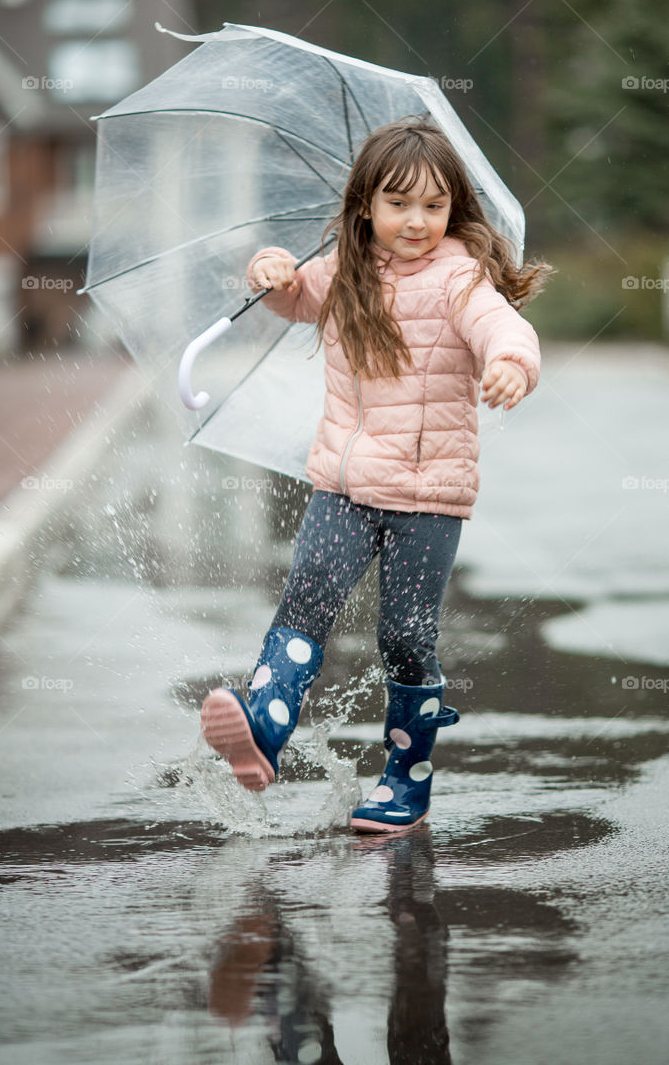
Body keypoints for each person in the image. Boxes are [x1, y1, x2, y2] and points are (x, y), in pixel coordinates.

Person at [201, 116, 551, 833]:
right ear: (365, 205)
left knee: (405, 639)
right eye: (397, 204)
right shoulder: (343, 269)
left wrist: (513, 363)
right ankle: (264, 728)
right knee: (305, 602)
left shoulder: (459, 279)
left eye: (432, 205)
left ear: (453, 209)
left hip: (427, 498)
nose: (415, 221)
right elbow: (294, 295)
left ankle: (406, 780)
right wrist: (270, 270)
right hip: (342, 485)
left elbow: (500, 326)